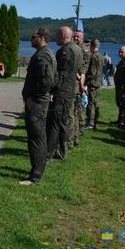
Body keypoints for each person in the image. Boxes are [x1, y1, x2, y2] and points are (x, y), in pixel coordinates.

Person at [20, 28, 56, 186]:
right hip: (38, 102)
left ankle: (35, 176)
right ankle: (36, 172)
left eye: (33, 36)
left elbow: (47, 81)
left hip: (36, 104)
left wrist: (33, 98)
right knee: (37, 137)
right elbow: (54, 79)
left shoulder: (43, 55)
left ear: (41, 38)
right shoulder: (46, 53)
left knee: (37, 138)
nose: (31, 38)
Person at [46, 26, 77, 160]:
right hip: (69, 91)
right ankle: (62, 151)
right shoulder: (76, 49)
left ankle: (49, 153)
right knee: (63, 122)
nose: (55, 38)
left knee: (54, 123)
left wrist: (53, 90)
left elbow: (61, 74)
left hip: (62, 92)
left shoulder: (65, 51)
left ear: (64, 36)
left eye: (58, 35)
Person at [84, 38, 102, 130]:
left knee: (91, 103)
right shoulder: (100, 56)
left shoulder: (94, 56)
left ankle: (90, 122)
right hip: (98, 82)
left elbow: (92, 71)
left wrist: (86, 81)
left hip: (93, 83)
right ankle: (95, 120)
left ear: (92, 46)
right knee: (96, 102)